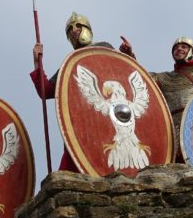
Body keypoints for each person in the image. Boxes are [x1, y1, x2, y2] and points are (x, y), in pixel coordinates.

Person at [31, 12, 136, 172]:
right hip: (82, 124)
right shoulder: (70, 63)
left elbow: (126, 72)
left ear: (87, 28)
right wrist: (37, 62)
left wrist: (128, 55)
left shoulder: (104, 48)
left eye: (78, 26)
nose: (74, 30)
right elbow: (46, 91)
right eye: (70, 30)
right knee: (66, 175)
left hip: (108, 120)